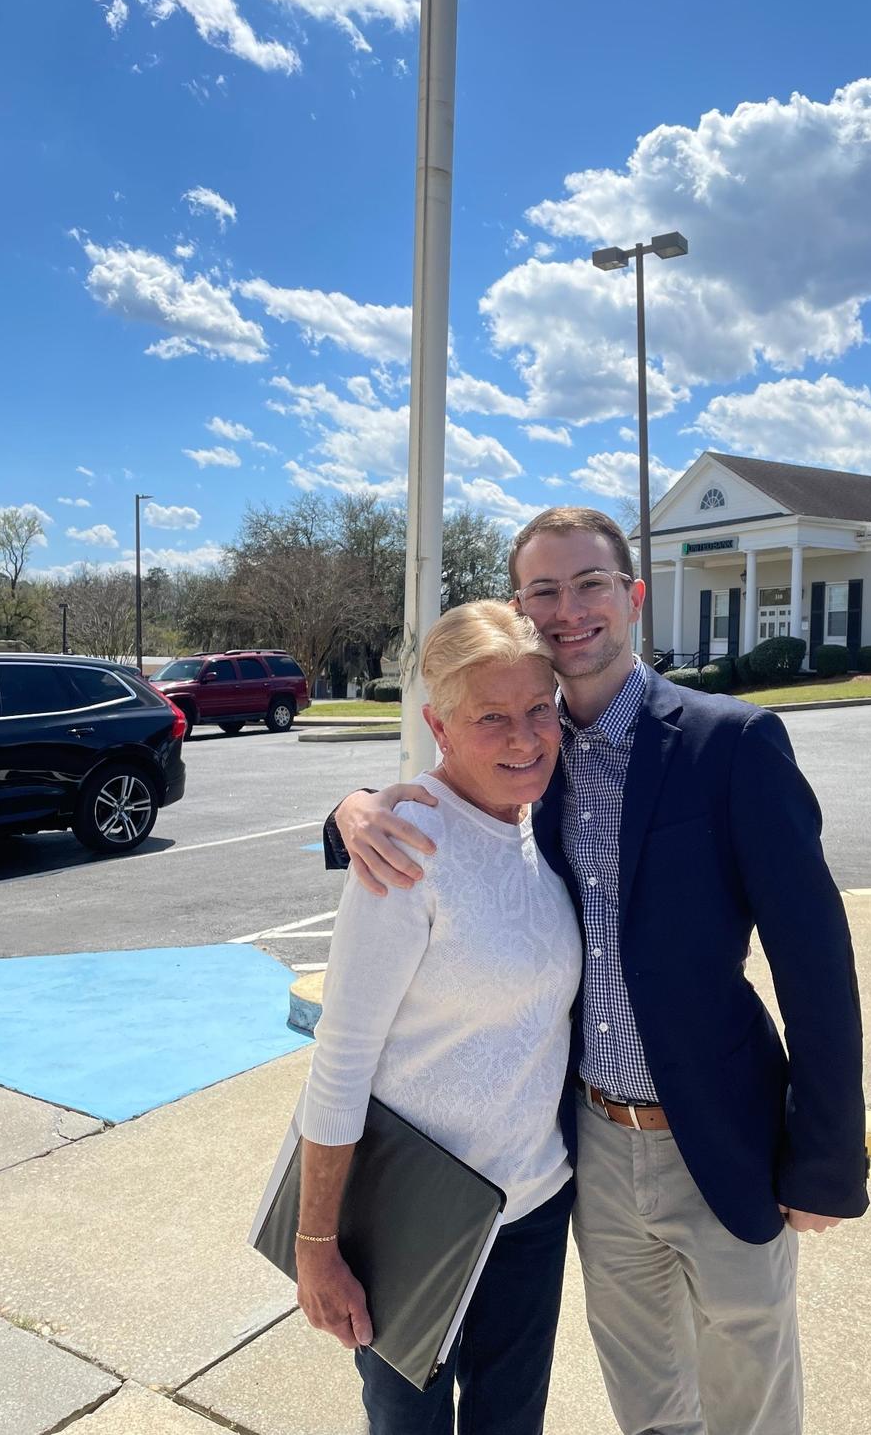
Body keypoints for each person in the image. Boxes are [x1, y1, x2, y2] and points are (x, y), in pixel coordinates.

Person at [326, 507, 869, 1435]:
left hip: (724, 1137)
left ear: (633, 597)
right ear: (521, 612)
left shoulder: (730, 744)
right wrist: (347, 809)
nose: (570, 608)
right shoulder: (536, 753)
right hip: (592, 1146)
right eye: (544, 590)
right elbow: (444, 805)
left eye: (591, 584)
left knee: (751, 1400)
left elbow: (816, 963)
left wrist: (824, 1159)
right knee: (648, 1401)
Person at [297, 600, 582, 1435]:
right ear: (438, 725)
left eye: (539, 708)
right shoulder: (406, 840)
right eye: (491, 716)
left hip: (531, 1205)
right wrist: (317, 1244)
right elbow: (342, 1055)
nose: (525, 737)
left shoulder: (541, 818)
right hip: (411, 1215)